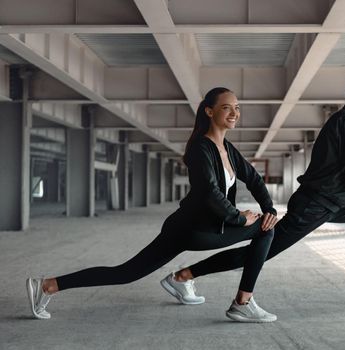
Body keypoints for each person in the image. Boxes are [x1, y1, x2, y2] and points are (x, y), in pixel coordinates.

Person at [166, 74, 345, 305]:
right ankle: (184, 275)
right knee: (262, 251)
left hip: (333, 201)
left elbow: (344, 169)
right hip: (315, 204)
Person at [26, 87, 280, 323]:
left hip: (184, 228)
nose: (234, 113)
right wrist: (239, 217)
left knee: (126, 273)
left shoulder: (226, 148)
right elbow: (209, 194)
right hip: (196, 229)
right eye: (227, 107)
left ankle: (48, 285)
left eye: (237, 108)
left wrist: (269, 208)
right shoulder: (200, 149)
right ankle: (241, 303)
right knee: (265, 231)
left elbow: (254, 178)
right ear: (210, 111)